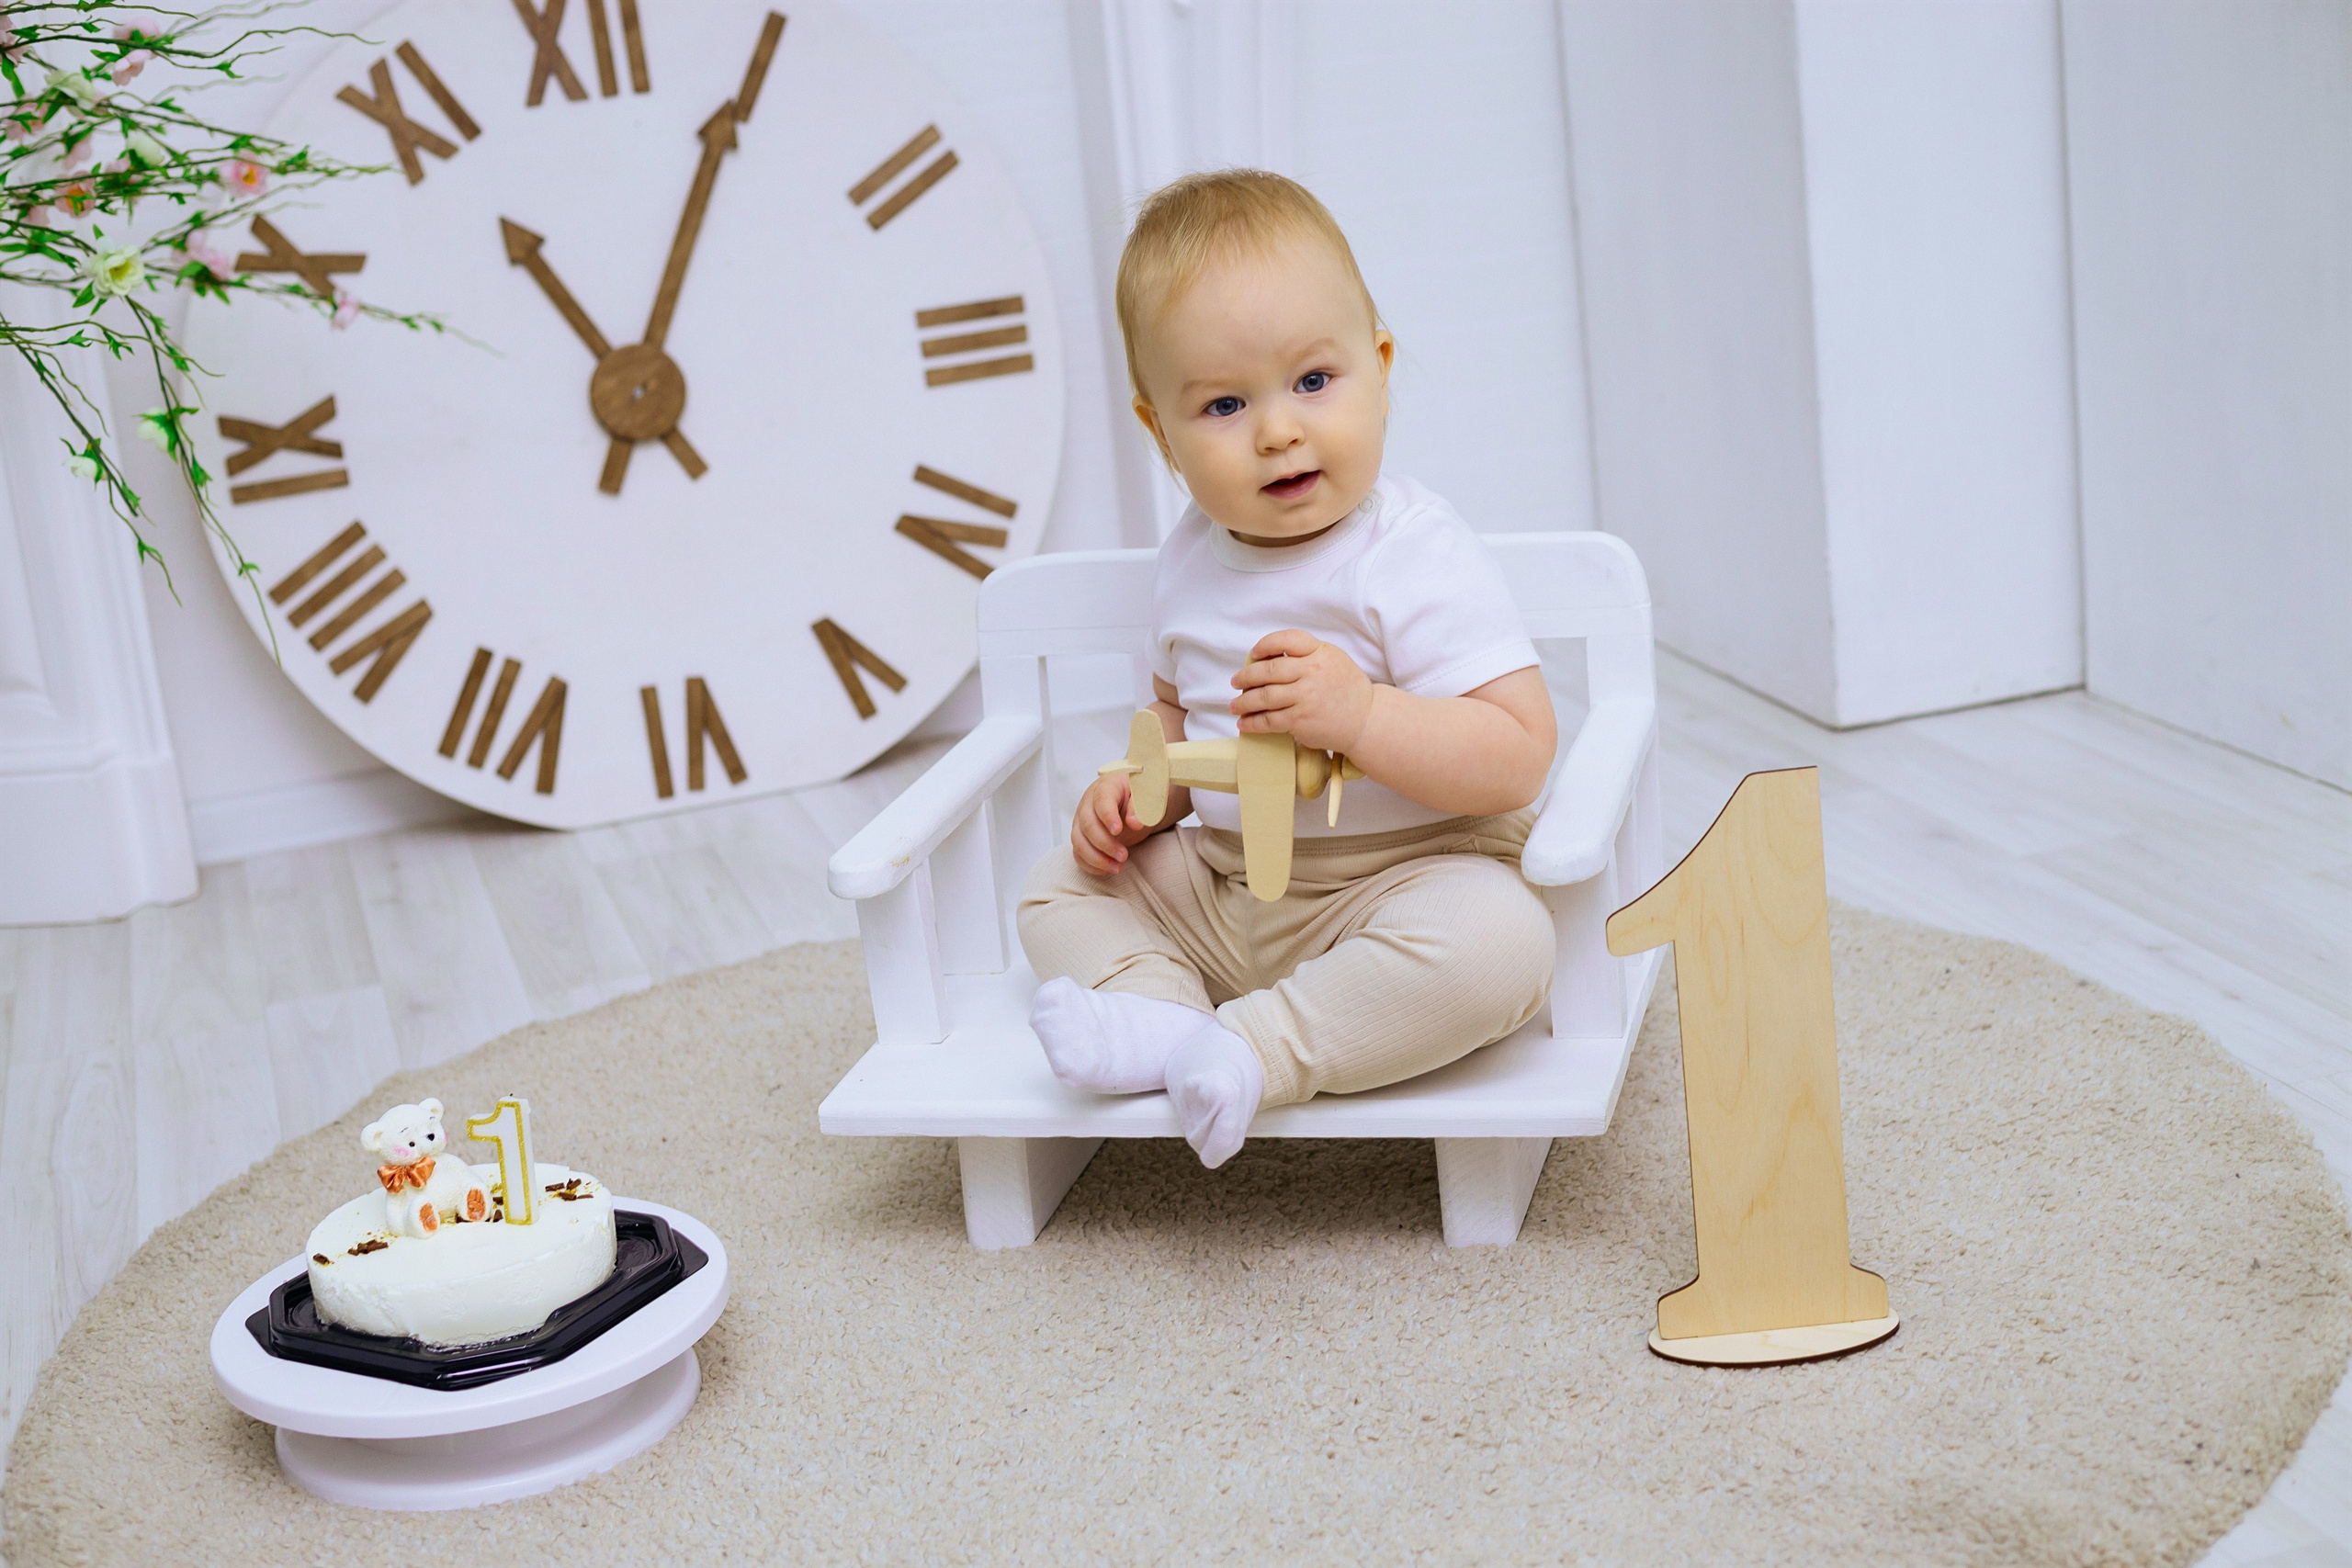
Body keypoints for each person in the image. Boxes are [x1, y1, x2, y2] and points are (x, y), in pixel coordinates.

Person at [1016, 169, 1558, 1169]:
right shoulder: (1189, 559)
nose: (1277, 430)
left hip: (1409, 878)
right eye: (1224, 404)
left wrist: (1362, 716)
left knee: (1503, 948)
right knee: (1057, 888)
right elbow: (1179, 722)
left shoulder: (1412, 553)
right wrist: (1140, 796)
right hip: (1233, 889)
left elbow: (1520, 754)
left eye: (1313, 381)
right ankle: (1162, 1017)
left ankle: (1259, 1047)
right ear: (1160, 432)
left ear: (1379, 369)